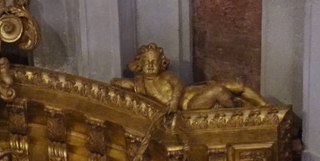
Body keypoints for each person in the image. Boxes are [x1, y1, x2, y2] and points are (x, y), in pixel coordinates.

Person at [112, 44, 266, 112]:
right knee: (219, 90)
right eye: (146, 62)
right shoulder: (140, 85)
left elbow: (179, 86)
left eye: (154, 62)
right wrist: (132, 74)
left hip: (192, 92)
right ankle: (237, 111)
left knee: (237, 85)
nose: (150, 65)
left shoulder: (166, 76)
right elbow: (116, 83)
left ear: (162, 64)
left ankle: (264, 105)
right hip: (190, 105)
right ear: (140, 64)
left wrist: (173, 102)